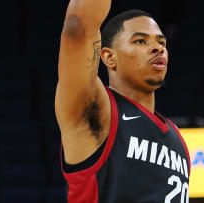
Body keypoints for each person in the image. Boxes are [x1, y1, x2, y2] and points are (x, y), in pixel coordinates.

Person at [55, 0, 190, 202]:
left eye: (161, 42)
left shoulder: (178, 139)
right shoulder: (96, 110)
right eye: (140, 41)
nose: (157, 48)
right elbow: (79, 28)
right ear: (109, 57)